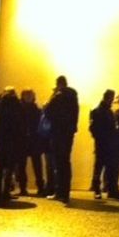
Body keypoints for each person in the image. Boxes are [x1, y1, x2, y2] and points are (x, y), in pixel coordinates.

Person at [43, 75, 79, 204]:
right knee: (66, 162)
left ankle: (59, 192)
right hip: (68, 133)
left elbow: (47, 110)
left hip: (57, 133)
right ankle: (66, 191)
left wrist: (52, 95)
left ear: (58, 84)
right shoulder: (74, 97)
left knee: (58, 163)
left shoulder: (58, 96)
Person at [0, 86, 24, 205]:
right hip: (13, 140)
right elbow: (21, 123)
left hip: (1, 139)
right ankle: (6, 192)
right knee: (10, 167)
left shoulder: (1, 104)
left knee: (0, 166)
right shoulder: (18, 105)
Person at [89, 89, 119, 199]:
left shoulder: (102, 110)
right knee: (102, 167)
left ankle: (103, 189)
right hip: (104, 143)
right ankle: (101, 189)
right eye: (112, 98)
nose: (112, 101)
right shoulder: (100, 111)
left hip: (105, 143)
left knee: (103, 167)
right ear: (108, 98)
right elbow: (94, 128)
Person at [18, 89, 46, 197]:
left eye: (30, 95)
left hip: (28, 140)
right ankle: (34, 187)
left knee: (29, 165)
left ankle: (27, 187)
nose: (28, 97)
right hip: (29, 140)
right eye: (27, 95)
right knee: (31, 165)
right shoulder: (36, 110)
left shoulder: (21, 109)